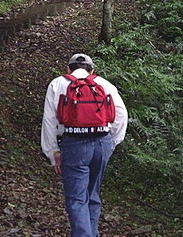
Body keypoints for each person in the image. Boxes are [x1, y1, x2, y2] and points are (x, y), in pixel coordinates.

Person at [41, 54, 128, 237]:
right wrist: (111, 143)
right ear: (92, 70)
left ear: (68, 69)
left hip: (74, 144)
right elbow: (121, 115)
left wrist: (53, 152)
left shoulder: (57, 84)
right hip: (102, 142)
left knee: (76, 199)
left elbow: (49, 121)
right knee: (93, 195)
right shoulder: (104, 84)